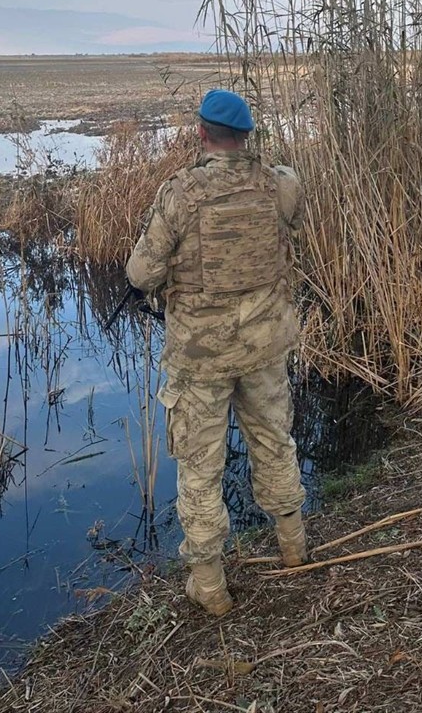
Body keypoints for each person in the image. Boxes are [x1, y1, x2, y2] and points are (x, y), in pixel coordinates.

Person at [125, 89, 308, 615]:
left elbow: (141, 274)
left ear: (201, 132)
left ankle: (209, 587)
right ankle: (293, 547)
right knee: (274, 441)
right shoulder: (280, 185)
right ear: (246, 135)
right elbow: (291, 209)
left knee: (201, 468)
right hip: (265, 347)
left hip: (201, 358)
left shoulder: (181, 194)